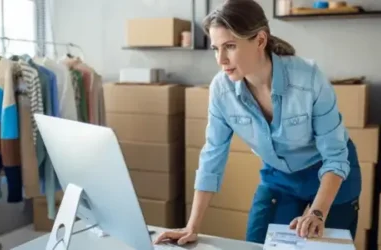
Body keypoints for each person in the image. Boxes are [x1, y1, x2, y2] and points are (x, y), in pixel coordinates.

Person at [155, 0, 361, 246]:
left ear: (260, 40)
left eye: (230, 46)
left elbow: (336, 156)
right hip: (279, 178)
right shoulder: (222, 90)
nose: (221, 59)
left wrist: (317, 211)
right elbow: (212, 155)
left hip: (331, 175)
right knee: (256, 243)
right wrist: (192, 226)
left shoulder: (308, 78)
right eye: (215, 48)